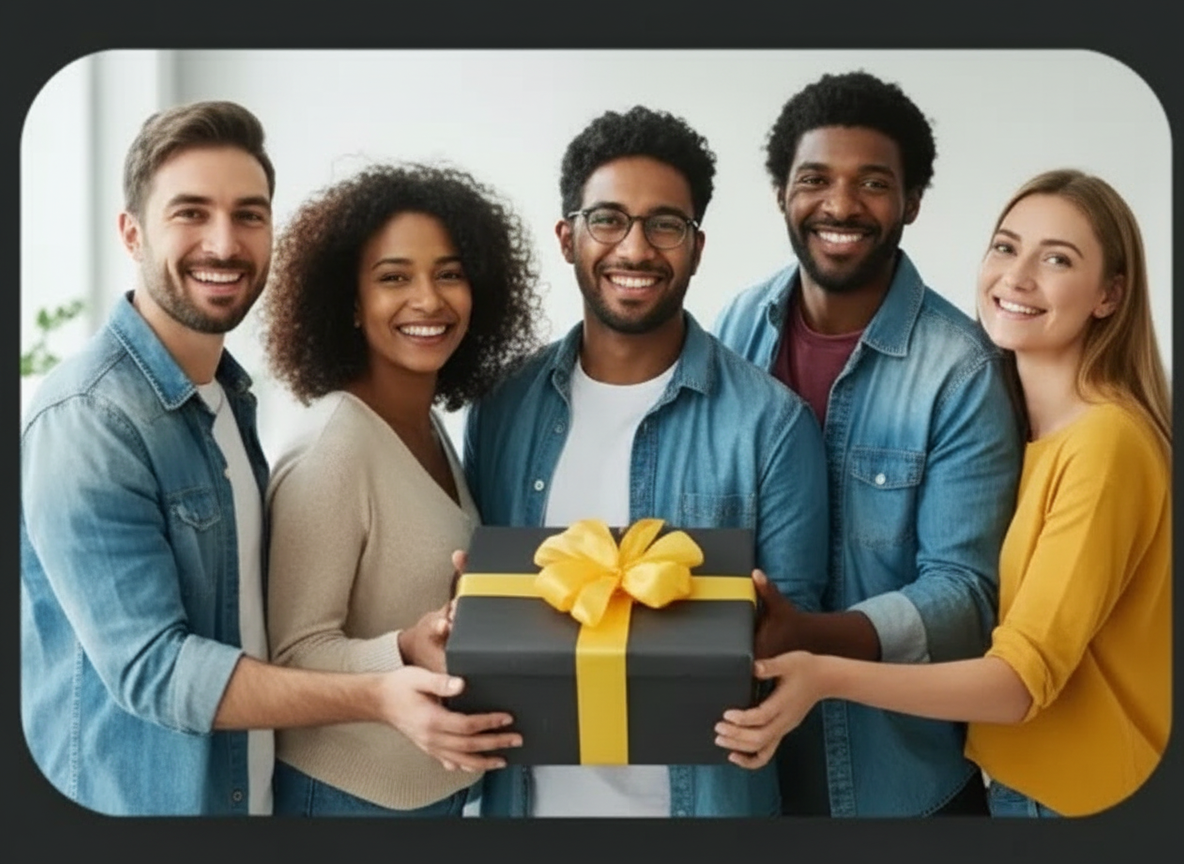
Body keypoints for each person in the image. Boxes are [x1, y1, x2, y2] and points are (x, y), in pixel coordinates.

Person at [19, 101, 519, 817]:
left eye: (249, 215)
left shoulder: (226, 403)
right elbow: (155, 672)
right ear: (130, 232)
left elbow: (248, 623)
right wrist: (383, 684)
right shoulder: (88, 419)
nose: (224, 243)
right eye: (191, 212)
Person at [715, 168, 1171, 819]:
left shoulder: (1105, 446)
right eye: (1006, 247)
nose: (1017, 276)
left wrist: (823, 670)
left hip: (1082, 799)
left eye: (1058, 259)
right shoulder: (1032, 434)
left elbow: (1018, 682)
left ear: (1109, 295)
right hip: (1026, 788)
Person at [461, 105, 830, 818]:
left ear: (695, 246)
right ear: (568, 238)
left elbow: (792, 636)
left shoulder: (772, 424)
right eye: (608, 220)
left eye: (664, 224)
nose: (635, 249)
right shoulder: (503, 408)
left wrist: (776, 688)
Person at [713, 70, 1023, 817]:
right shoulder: (733, 329)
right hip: (737, 774)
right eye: (815, 178)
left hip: (896, 786)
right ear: (781, 192)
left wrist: (808, 638)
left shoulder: (962, 369)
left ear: (911, 201)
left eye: (873, 183)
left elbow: (966, 595)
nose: (841, 204)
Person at [259, 162, 544, 816]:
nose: (429, 300)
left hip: (436, 795)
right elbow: (293, 654)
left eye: (449, 273)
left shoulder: (430, 426)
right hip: (345, 799)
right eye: (394, 278)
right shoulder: (335, 446)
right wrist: (401, 647)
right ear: (350, 304)